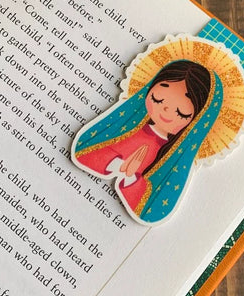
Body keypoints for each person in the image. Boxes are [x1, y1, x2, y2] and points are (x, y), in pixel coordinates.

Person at [73, 59, 224, 224]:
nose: (165, 110)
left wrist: (132, 178)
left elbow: (153, 207)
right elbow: (86, 150)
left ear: (195, 123)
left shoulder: (171, 161)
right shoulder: (126, 128)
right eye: (157, 99)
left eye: (181, 113)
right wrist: (115, 163)